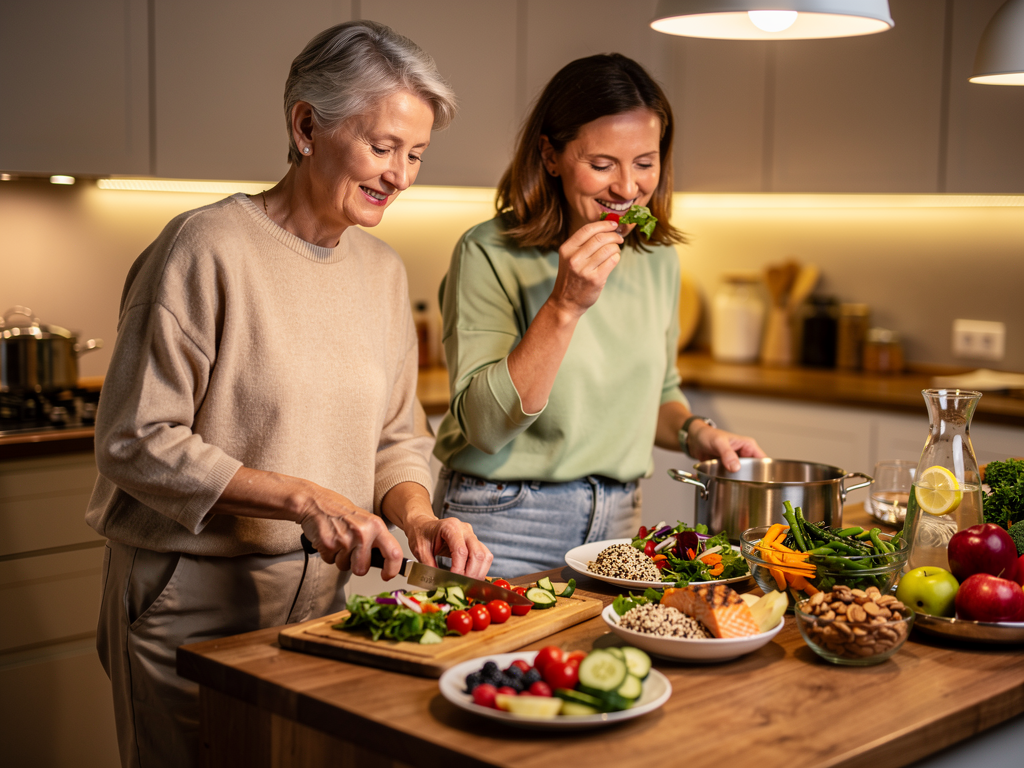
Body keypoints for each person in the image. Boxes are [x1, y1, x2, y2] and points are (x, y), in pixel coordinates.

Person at [86, 21, 492, 768]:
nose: (400, 175)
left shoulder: (383, 270)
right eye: (382, 147)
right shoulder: (204, 248)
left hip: (331, 597)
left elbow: (397, 435)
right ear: (306, 125)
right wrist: (303, 499)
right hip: (193, 590)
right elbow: (134, 439)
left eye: (416, 155)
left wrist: (418, 516)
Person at [432, 53, 764, 578]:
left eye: (645, 162)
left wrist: (698, 433)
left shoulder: (658, 258)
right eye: (603, 164)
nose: (628, 189)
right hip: (503, 520)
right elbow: (485, 426)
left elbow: (657, 392)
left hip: (622, 521)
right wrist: (564, 305)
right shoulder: (488, 252)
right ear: (550, 155)